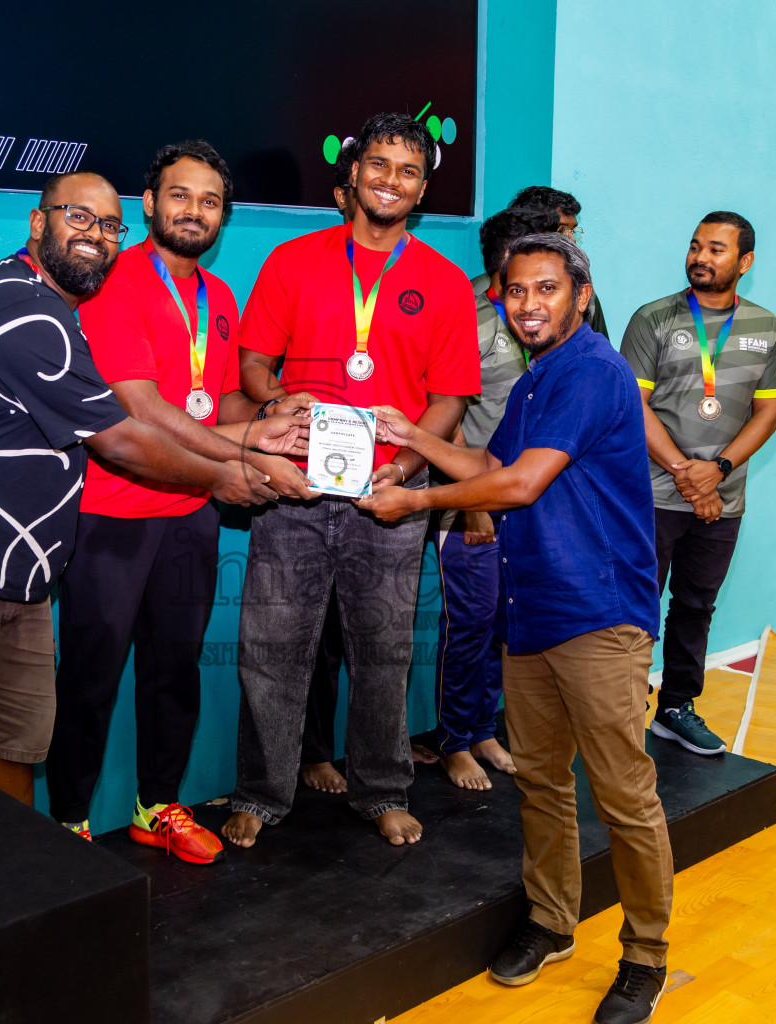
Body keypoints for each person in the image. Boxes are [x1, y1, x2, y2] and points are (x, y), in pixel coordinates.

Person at [0, 172, 276, 806]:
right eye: (79, 217)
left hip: (17, 572)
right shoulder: (24, 308)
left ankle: (31, 883)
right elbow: (120, 437)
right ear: (37, 221)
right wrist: (226, 474)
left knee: (9, 744)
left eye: (108, 226)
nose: (96, 236)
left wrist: (271, 422)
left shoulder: (60, 308)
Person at [360, 233, 673, 1024]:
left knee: (624, 795)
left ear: (581, 294)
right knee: (540, 780)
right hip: (531, 609)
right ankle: (551, 919)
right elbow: (484, 468)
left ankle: (646, 956)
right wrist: (412, 437)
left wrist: (414, 501)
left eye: (546, 289)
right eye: (516, 292)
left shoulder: (595, 371)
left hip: (601, 614)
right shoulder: (538, 380)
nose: (529, 304)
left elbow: (522, 485)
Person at [44, 143, 315, 862]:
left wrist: (272, 412)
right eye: (180, 195)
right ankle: (68, 820)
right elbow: (139, 405)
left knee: (174, 672)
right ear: (149, 204)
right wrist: (243, 453)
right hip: (110, 516)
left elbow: (215, 397)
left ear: (222, 216)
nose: (193, 211)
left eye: (209, 201)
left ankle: (154, 807)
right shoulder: (115, 283)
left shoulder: (218, 298)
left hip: (189, 522)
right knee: (90, 679)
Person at [223, 111, 480, 848]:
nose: (389, 181)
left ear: (422, 187)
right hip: (293, 492)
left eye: (406, 171)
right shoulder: (292, 261)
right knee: (270, 651)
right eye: (378, 166)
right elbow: (252, 365)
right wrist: (275, 402)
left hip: (389, 500)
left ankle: (383, 790)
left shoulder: (443, 284)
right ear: (353, 175)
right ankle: (261, 792)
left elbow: (451, 393)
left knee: (383, 655)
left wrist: (407, 464)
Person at [619, 211, 776, 757]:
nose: (700, 257)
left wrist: (717, 473)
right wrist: (686, 474)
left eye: (716, 249)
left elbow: (765, 414)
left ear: (745, 262)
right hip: (653, 494)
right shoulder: (654, 319)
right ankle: (621, 710)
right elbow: (632, 406)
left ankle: (676, 707)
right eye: (695, 246)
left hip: (722, 499)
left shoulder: (765, 327)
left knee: (696, 606)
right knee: (635, 605)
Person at [431, 204, 559, 791]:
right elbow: (450, 414)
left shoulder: (546, 327)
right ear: (505, 264)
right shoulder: (470, 322)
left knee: (506, 626)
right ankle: (455, 739)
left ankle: (484, 729)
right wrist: (472, 500)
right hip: (474, 501)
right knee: (471, 624)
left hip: (530, 504)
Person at [300, 136, 361, 796]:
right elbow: (259, 368)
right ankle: (313, 752)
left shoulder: (421, 274)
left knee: (376, 640)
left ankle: (379, 766)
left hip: (387, 482)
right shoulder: (301, 264)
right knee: (310, 635)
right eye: (348, 189)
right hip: (310, 478)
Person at [509, 185, 608, 337]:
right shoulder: (487, 294)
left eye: (573, 230)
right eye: (561, 230)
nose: (572, 239)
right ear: (529, 231)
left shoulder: (583, 293)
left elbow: (599, 351)